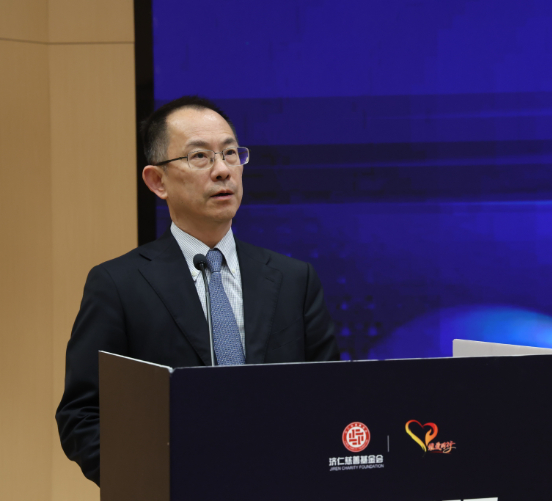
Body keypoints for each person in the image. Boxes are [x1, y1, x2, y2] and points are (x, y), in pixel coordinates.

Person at [55, 96, 340, 485]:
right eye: (200, 157)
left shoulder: (294, 280)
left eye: (230, 154)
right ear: (157, 181)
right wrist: (152, 482)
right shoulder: (118, 285)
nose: (222, 171)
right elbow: (83, 414)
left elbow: (331, 399)